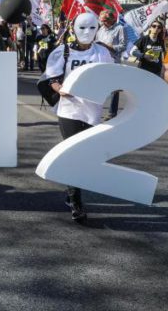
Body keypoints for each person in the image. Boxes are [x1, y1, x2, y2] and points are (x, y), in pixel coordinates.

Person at [44, 12, 113, 224]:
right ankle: (76, 202)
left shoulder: (102, 52)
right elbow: (52, 79)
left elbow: (109, 76)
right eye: (82, 27)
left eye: (92, 28)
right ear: (74, 28)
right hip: (69, 111)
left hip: (93, 111)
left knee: (86, 155)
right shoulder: (62, 51)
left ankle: (71, 192)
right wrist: (61, 89)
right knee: (74, 153)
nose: (87, 32)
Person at [96, 11, 126, 118]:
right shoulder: (101, 30)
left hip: (114, 62)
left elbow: (123, 46)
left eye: (105, 21)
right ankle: (95, 111)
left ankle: (112, 113)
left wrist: (107, 46)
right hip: (101, 62)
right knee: (99, 87)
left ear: (112, 19)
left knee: (114, 89)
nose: (103, 23)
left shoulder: (119, 29)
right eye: (102, 21)